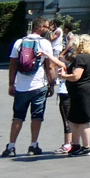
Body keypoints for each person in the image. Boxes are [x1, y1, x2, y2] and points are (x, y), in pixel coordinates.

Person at [4, 17, 56, 157]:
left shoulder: (19, 42)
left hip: (21, 86)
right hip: (39, 85)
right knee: (37, 116)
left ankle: (11, 146)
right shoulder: (45, 43)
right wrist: (52, 84)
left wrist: (11, 84)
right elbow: (50, 66)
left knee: (18, 117)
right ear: (40, 28)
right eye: (46, 27)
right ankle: (33, 146)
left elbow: (13, 65)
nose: (48, 29)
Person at [46, 35, 90, 156]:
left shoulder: (81, 58)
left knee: (82, 120)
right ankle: (75, 145)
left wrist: (63, 76)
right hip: (86, 90)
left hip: (81, 91)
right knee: (74, 119)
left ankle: (86, 147)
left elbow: (76, 76)